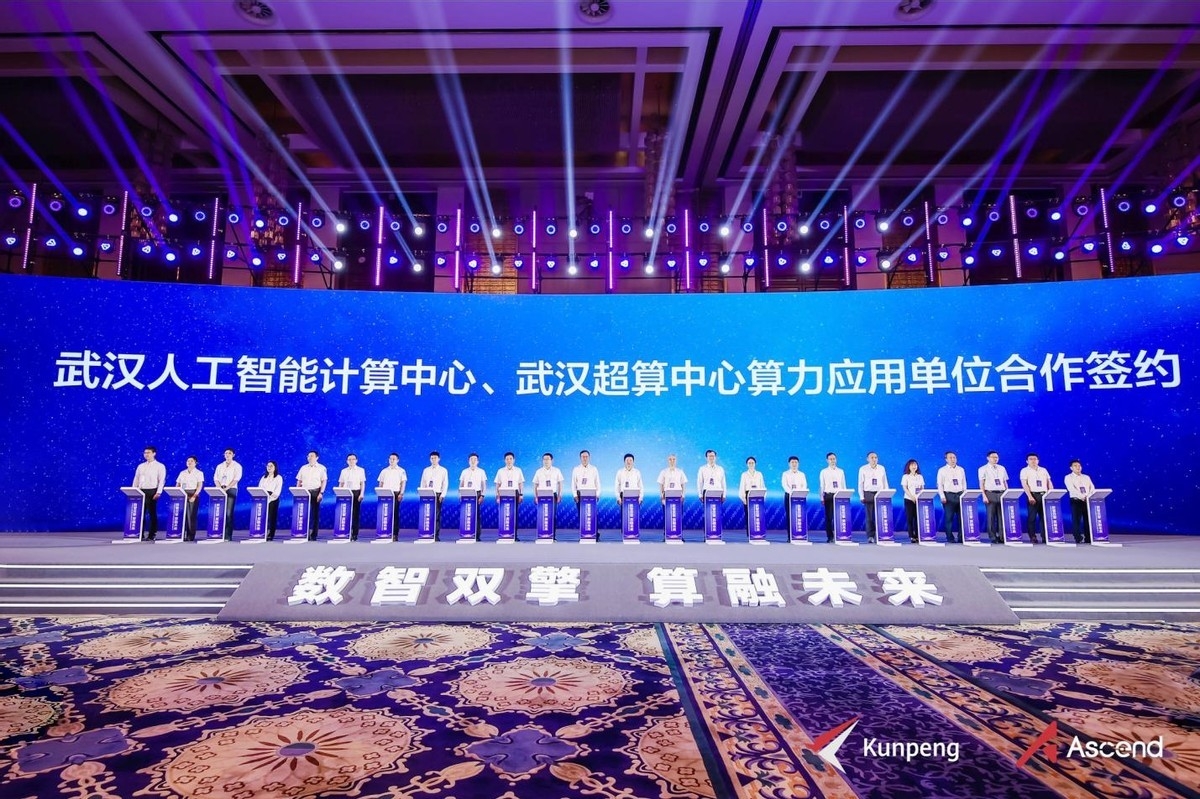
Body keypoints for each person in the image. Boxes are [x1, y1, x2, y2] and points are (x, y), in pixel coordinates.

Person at [133, 446, 166, 541]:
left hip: (152, 491)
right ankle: (139, 533)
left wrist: (158, 492)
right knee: (140, 514)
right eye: (145, 453)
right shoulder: (141, 466)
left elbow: (161, 480)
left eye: (148, 453)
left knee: (152, 513)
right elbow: (136, 478)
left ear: (154, 453)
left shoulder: (160, 466)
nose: (146, 454)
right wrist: (134, 490)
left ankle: (152, 534)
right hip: (141, 491)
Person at [1020, 453, 1053, 544]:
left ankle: (1045, 537)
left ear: (1038, 460)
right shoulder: (1024, 471)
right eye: (1031, 459)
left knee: (1045, 517)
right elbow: (1024, 484)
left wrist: (1051, 493)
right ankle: (1032, 536)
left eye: (1035, 459)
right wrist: (1030, 496)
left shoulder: (1043, 470)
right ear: (1027, 461)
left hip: (1044, 495)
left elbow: (1049, 482)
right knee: (1032, 518)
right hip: (1033, 495)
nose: (1033, 461)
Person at [857, 451, 889, 543]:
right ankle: (870, 536)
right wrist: (861, 496)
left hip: (880, 493)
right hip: (868, 493)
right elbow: (860, 483)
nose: (874, 459)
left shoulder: (881, 468)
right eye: (872, 457)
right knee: (870, 517)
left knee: (881, 516)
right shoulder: (863, 469)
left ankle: (882, 535)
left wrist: (886, 493)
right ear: (867, 459)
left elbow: (885, 481)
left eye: (875, 457)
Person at [978, 451, 1009, 543]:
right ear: (988, 458)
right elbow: (981, 483)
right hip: (990, 493)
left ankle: (1002, 536)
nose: (995, 459)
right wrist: (984, 495)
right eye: (993, 457)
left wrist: (1007, 493)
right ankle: (993, 537)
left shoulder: (1002, 468)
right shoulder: (982, 469)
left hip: (1001, 493)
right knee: (991, 516)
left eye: (996, 457)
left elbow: (1004, 482)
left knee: (1002, 516)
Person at [296, 450, 327, 541]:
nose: (310, 458)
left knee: (314, 514)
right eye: (308, 456)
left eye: (312, 456)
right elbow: (299, 480)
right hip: (304, 492)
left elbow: (324, 481)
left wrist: (321, 493)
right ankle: (302, 533)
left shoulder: (321, 468)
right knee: (303, 513)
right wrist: (297, 491)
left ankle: (314, 534)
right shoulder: (303, 468)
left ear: (317, 458)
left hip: (315, 492)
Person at [937, 451, 967, 543]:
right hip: (948, 495)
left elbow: (964, 483)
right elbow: (940, 484)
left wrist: (965, 494)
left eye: (954, 457)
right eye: (950, 458)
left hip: (960, 494)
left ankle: (961, 537)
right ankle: (950, 537)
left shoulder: (961, 469)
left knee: (961, 517)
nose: (953, 459)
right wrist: (942, 496)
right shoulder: (942, 470)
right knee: (949, 518)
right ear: (946, 459)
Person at [213, 448, 243, 540]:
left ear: (233, 455)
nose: (227, 455)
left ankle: (227, 535)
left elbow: (236, 478)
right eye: (226, 453)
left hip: (231, 489)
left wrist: (227, 487)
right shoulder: (220, 466)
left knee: (228, 513)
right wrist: (219, 488)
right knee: (219, 512)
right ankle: (218, 533)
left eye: (229, 453)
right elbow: (216, 478)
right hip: (220, 489)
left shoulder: (237, 466)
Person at [1064, 459, 1095, 544]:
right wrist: (1082, 497)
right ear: (1071, 468)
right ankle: (1078, 537)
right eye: (1075, 466)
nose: (1078, 467)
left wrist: (1089, 496)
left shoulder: (1086, 477)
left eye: (1079, 466)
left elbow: (1092, 488)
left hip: (1087, 500)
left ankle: (1088, 538)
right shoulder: (1068, 477)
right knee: (1076, 520)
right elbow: (1071, 489)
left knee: (1088, 520)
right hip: (1076, 500)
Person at [532, 453, 565, 534]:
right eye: (544, 459)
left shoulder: (557, 470)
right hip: (541, 495)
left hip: (552, 495)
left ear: (552, 460)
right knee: (542, 515)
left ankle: (552, 535)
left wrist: (560, 495)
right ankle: (541, 534)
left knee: (552, 515)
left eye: (548, 459)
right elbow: (535, 485)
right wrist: (535, 496)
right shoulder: (538, 471)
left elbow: (560, 483)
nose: (546, 461)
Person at [377, 453, 407, 540]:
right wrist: (380, 492)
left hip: (395, 493)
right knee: (385, 514)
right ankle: (384, 532)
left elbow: (403, 483)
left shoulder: (401, 471)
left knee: (395, 514)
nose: (392, 460)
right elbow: (381, 483)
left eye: (394, 459)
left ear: (397, 460)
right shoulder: (384, 471)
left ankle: (395, 534)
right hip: (385, 493)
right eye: (390, 459)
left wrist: (401, 493)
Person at [819, 452, 847, 543]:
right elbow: (822, 485)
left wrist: (845, 495)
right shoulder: (824, 471)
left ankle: (841, 535)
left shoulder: (841, 471)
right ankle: (830, 537)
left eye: (834, 459)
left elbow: (843, 484)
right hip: (829, 495)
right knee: (829, 517)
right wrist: (821, 498)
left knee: (840, 516)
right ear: (827, 460)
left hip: (839, 495)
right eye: (830, 459)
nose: (832, 461)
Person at [420, 451, 450, 536]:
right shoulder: (426, 470)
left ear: (439, 459)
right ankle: (426, 532)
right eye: (432, 458)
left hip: (437, 494)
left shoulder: (443, 470)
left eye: (435, 458)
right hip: (427, 494)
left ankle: (435, 534)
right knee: (426, 514)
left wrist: (443, 495)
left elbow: (445, 483)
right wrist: (422, 493)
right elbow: (423, 482)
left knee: (436, 515)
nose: (433, 460)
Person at [338, 453, 367, 540]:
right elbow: (341, 483)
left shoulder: (361, 470)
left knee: (355, 514)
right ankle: (345, 532)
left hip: (356, 492)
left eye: (353, 459)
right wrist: (339, 492)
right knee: (345, 514)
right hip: (345, 493)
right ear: (347, 461)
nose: (351, 461)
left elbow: (362, 483)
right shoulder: (343, 471)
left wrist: (361, 494)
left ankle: (355, 534)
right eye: (349, 459)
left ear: (356, 460)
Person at [494, 452, 526, 531]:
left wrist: (521, 494)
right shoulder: (500, 471)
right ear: (504, 460)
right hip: (503, 493)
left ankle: (513, 533)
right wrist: (497, 496)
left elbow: (521, 483)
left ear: (514, 460)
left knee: (514, 513)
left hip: (515, 493)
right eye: (507, 459)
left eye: (511, 459)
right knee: (504, 513)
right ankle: (503, 532)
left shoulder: (518, 470)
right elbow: (497, 484)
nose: (509, 461)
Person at [176, 456, 203, 542]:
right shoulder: (182, 473)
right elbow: (178, 484)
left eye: (191, 461)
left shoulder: (199, 473)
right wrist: (177, 492)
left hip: (192, 493)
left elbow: (199, 486)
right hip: (182, 493)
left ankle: (190, 535)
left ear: (195, 463)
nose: (189, 462)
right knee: (181, 515)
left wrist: (194, 496)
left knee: (191, 516)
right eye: (188, 461)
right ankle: (180, 535)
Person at [459, 453, 488, 533]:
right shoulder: (464, 471)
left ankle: (477, 534)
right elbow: (461, 484)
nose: (473, 461)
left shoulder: (481, 471)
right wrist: (460, 494)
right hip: (465, 493)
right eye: (471, 459)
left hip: (477, 493)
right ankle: (465, 533)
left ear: (478, 461)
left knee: (476, 514)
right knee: (466, 513)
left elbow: (484, 485)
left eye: (475, 459)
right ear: (468, 461)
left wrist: (482, 495)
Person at [738, 456, 766, 533]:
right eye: (749, 463)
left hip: (758, 495)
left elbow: (762, 485)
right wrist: (743, 499)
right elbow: (742, 487)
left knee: (758, 515)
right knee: (749, 515)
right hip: (748, 495)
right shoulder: (744, 474)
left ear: (755, 464)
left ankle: (758, 532)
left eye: (752, 463)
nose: (751, 464)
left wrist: (763, 497)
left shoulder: (759, 474)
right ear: (747, 464)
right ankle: (750, 533)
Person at [900, 459, 923, 543]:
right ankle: (911, 536)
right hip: (909, 499)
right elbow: (905, 488)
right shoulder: (905, 476)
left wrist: (919, 496)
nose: (914, 466)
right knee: (910, 518)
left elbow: (922, 488)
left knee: (917, 518)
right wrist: (912, 497)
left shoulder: (920, 476)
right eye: (912, 465)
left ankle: (917, 535)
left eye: (915, 465)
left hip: (918, 500)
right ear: (908, 466)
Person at [259, 461, 283, 540]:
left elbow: (277, 491)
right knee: (262, 517)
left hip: (273, 499)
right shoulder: (264, 477)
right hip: (263, 498)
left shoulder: (278, 477)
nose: (269, 467)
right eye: (268, 466)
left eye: (271, 466)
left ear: (275, 467)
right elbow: (260, 487)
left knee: (272, 517)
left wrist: (270, 498)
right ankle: (261, 532)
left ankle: (271, 534)